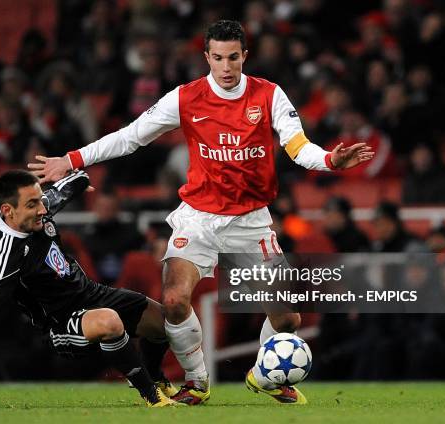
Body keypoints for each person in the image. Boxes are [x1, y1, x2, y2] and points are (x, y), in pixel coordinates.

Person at [29, 20, 374, 405]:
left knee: (288, 320)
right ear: (206, 57)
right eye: (217, 58)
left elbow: (297, 146)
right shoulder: (186, 97)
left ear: (245, 56)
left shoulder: (270, 95)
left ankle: (266, 376)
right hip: (198, 217)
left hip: (251, 220)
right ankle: (197, 381)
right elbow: (130, 136)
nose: (226, 68)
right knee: (174, 299)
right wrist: (72, 160)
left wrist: (328, 159)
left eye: (233, 58)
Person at [0, 170, 181, 407]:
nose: (42, 209)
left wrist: (80, 180)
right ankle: (152, 396)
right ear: (8, 210)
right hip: (62, 323)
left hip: (92, 293)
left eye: (40, 201)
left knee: (167, 322)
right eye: (32, 205)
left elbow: (65, 187)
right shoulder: (7, 256)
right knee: (110, 321)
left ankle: (156, 377)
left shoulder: (37, 211)